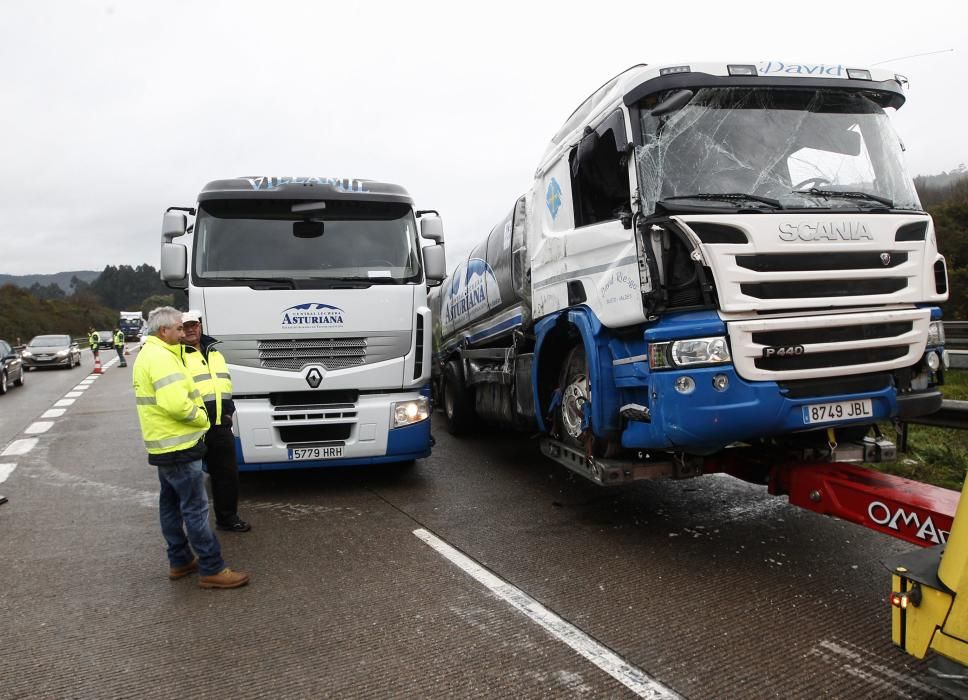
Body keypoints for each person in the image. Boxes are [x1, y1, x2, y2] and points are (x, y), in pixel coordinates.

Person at [132, 306, 249, 589]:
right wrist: (201, 418)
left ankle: (180, 560)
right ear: (164, 331)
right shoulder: (162, 358)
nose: (184, 332)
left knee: (170, 505)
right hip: (180, 444)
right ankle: (212, 567)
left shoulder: (152, 354)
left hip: (165, 444)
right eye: (178, 328)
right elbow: (176, 404)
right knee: (195, 509)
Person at [181, 310, 251, 532]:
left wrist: (229, 412)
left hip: (220, 424)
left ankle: (227, 518)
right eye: (185, 326)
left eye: (194, 325)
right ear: (179, 331)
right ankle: (192, 526)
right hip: (193, 426)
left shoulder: (215, 353)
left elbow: (225, 385)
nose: (191, 329)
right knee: (190, 479)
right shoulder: (176, 356)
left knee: (227, 475)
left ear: (200, 326)